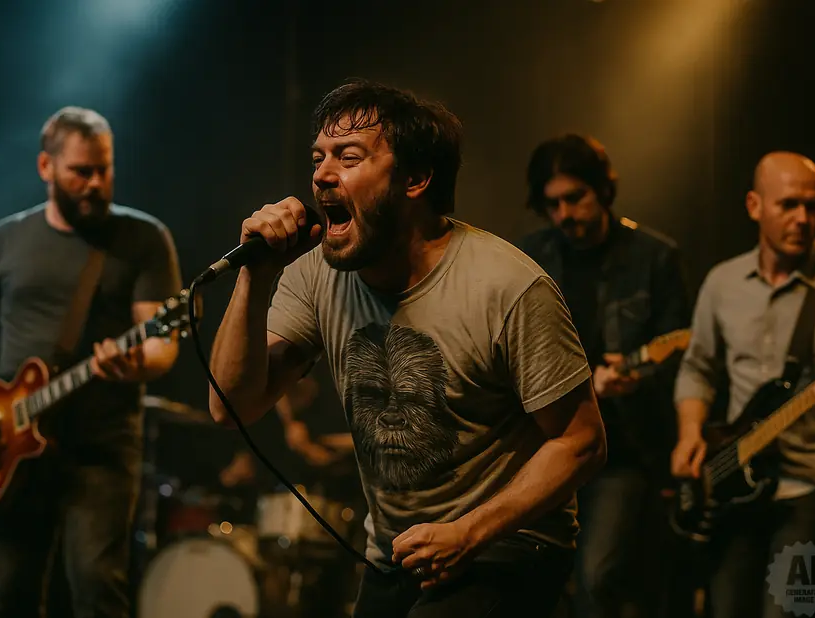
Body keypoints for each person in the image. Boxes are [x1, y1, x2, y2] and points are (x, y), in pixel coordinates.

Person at [206, 79, 607, 618]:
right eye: (318, 157)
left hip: (508, 547)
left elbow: (581, 441)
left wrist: (468, 531)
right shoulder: (314, 274)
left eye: (349, 157)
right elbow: (232, 404)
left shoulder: (507, 286)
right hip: (395, 554)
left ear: (415, 178)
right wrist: (255, 277)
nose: (322, 174)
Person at [0, 106, 182, 618]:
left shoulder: (143, 238)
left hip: (101, 448)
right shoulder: (5, 239)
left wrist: (133, 363)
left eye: (105, 169)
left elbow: (162, 343)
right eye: (81, 172)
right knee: (11, 597)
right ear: (46, 168)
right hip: (9, 445)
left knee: (97, 588)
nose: (96, 183)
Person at [671, 151, 815, 618]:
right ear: (754, 205)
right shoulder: (723, 282)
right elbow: (698, 369)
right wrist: (690, 434)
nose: (803, 218)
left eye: (814, 206)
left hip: (813, 488)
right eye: (789, 205)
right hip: (737, 478)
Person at [516, 134, 690, 618]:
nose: (564, 214)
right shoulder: (528, 257)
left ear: (604, 190)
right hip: (541, 446)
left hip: (621, 450)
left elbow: (683, 353)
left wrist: (639, 378)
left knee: (597, 579)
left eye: (575, 198)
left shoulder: (653, 256)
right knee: (535, 581)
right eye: (552, 204)